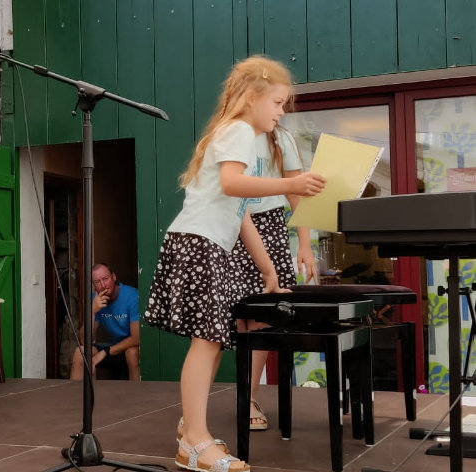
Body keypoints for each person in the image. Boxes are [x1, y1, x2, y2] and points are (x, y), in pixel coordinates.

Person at [144, 56, 325, 472]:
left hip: (205, 243)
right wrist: (291, 183)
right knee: (206, 344)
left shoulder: (235, 134)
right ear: (251, 97)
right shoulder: (240, 130)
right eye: (277, 103)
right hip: (199, 243)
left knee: (209, 343)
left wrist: (267, 269)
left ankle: (192, 433)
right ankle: (195, 440)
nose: (281, 112)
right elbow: (231, 184)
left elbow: (240, 214)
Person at [228, 126, 318, 431]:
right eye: (275, 103)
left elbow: (296, 193)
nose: (279, 109)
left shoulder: (281, 137)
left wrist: (304, 244)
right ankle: (241, 393)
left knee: (262, 315)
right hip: (230, 222)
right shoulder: (229, 133)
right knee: (237, 316)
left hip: (269, 224)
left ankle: (249, 397)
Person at [70, 263, 140, 381]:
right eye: (97, 282)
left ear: (114, 277)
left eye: (106, 279)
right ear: (93, 285)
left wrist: (105, 352)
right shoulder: (95, 300)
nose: (103, 285)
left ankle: (137, 392)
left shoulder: (132, 296)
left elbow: (136, 338)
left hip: (132, 348)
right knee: (80, 352)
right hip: (114, 347)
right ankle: (80, 392)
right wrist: (92, 312)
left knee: (131, 353)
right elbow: (85, 341)